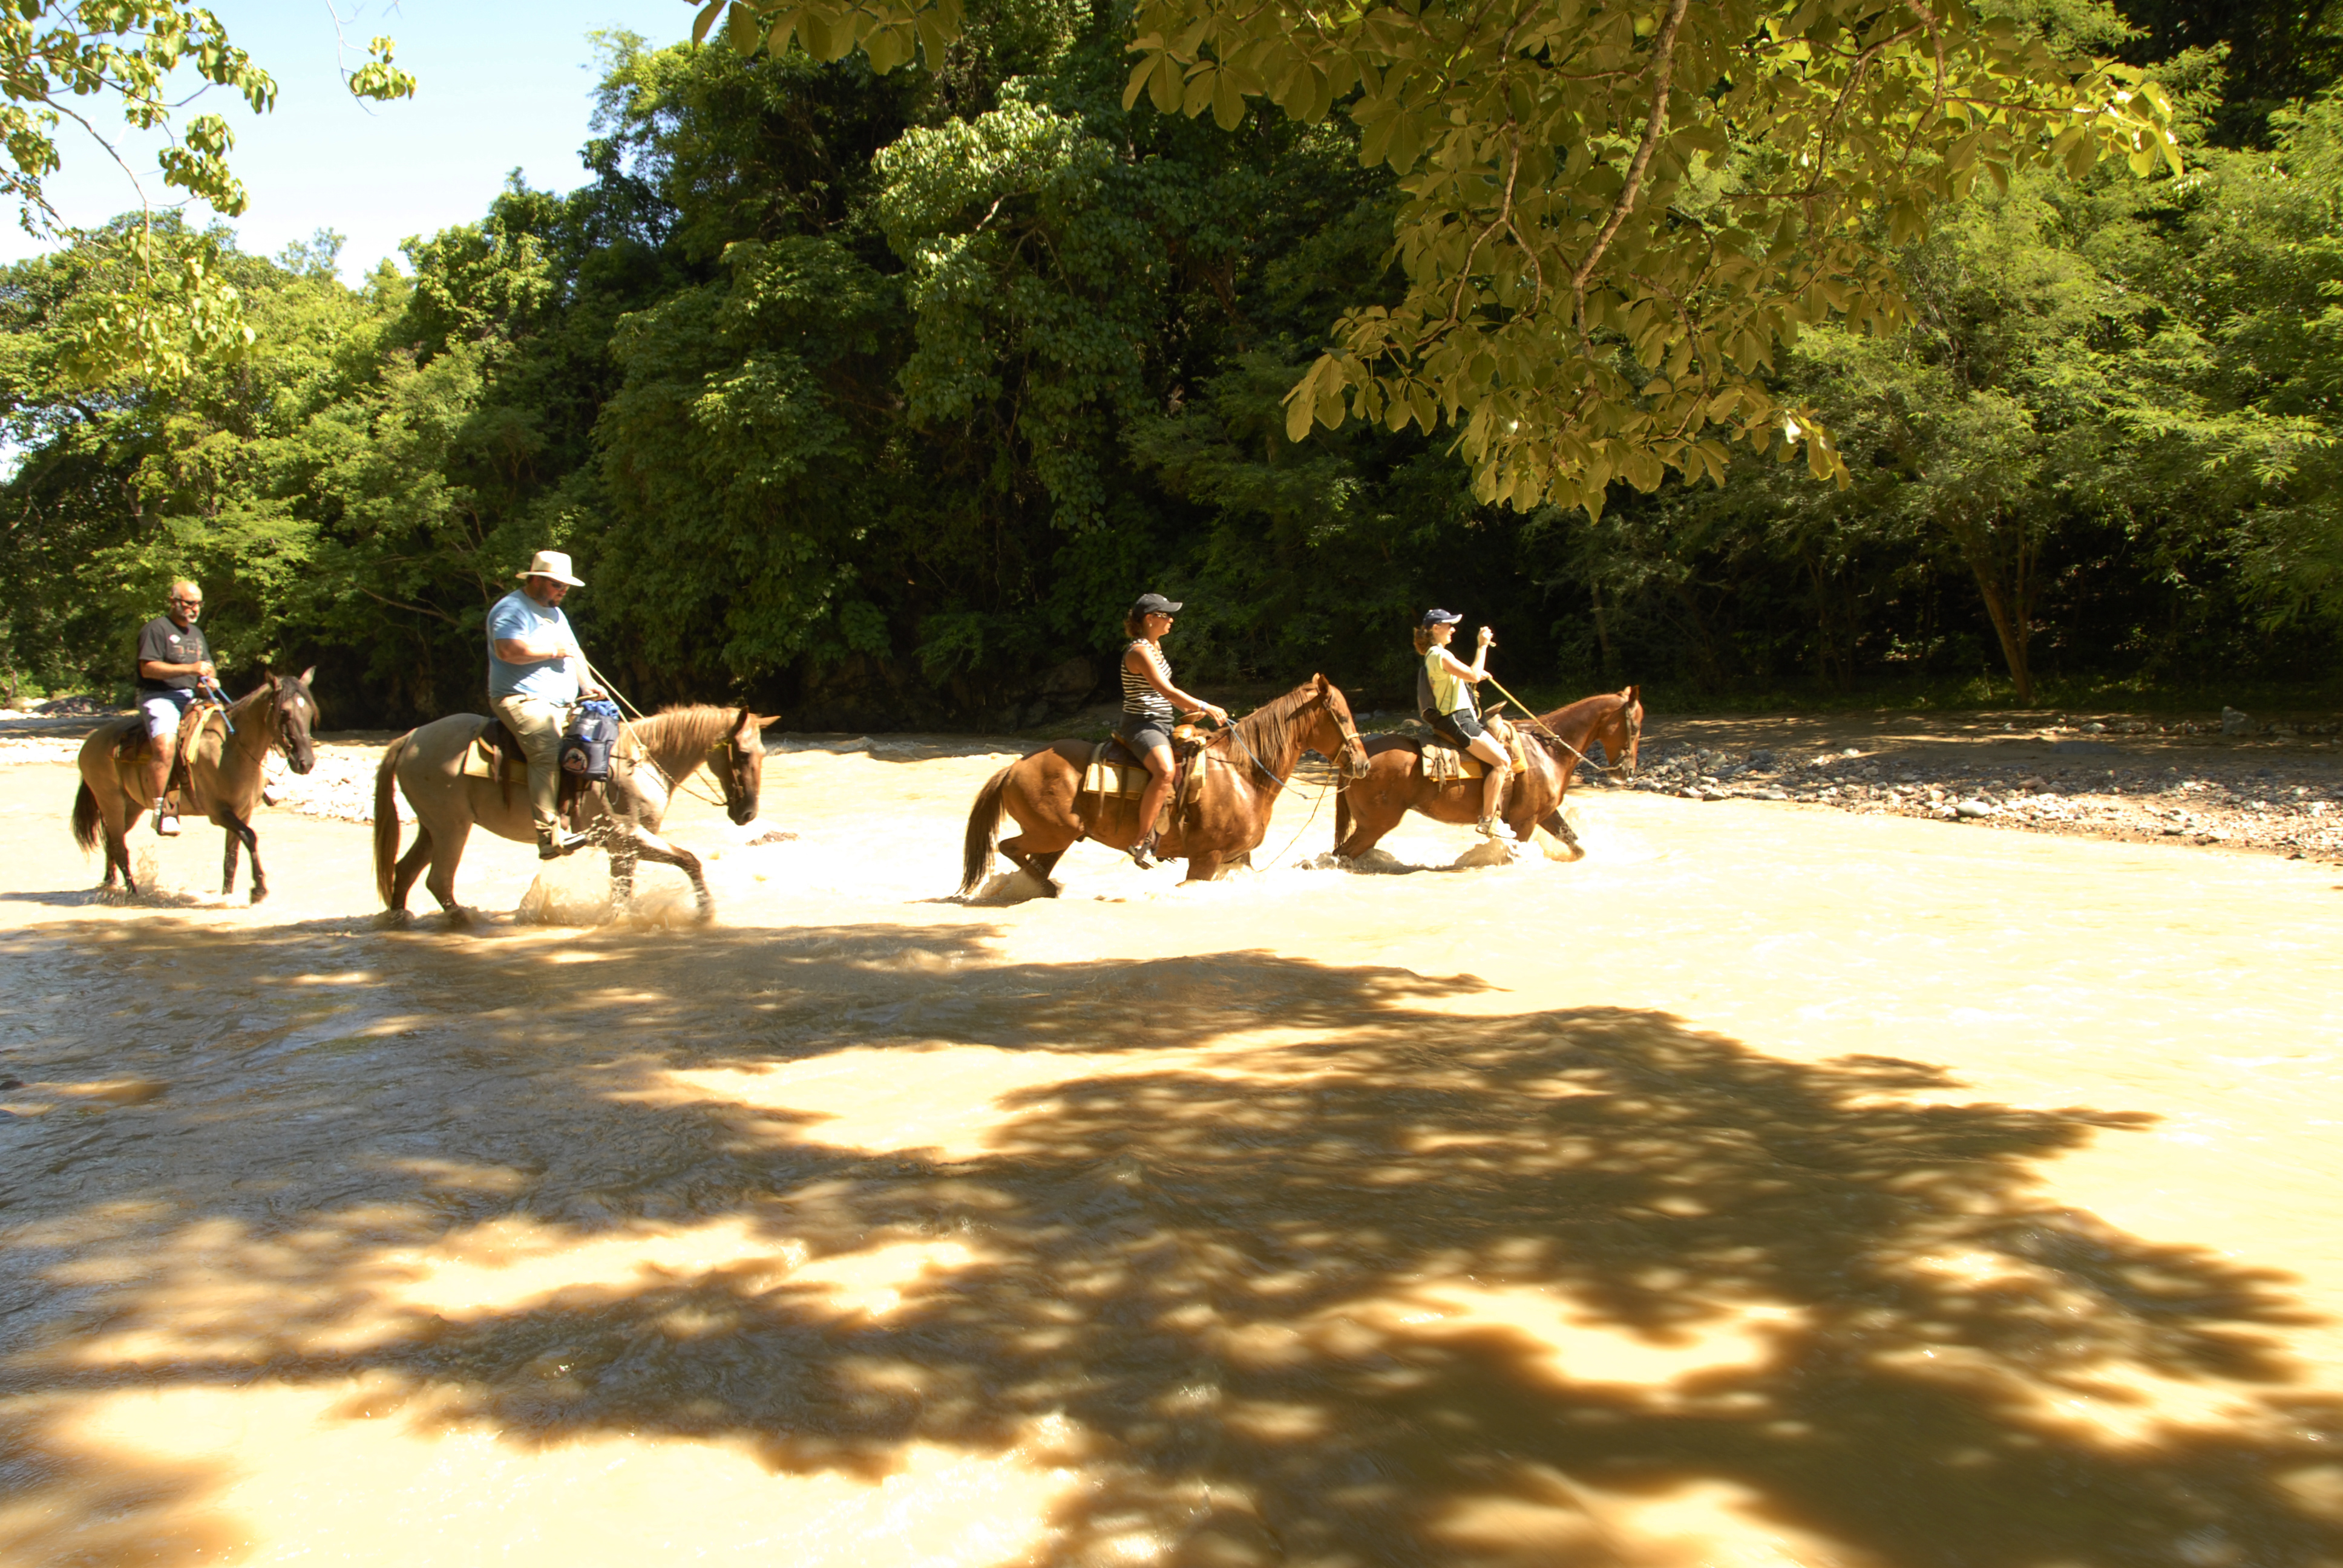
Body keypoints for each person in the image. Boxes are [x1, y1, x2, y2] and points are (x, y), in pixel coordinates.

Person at [487, 550, 605, 860]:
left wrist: (589, 685)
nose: (562, 591)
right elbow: (508, 651)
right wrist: (553, 651)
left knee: (602, 736)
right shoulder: (512, 610)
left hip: (562, 701)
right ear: (535, 579)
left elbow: (574, 652)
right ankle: (548, 834)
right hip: (520, 698)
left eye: (565, 587)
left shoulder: (555, 612)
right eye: (556, 584)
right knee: (547, 750)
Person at [1118, 592, 1228, 867]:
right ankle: (1141, 841)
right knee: (1165, 771)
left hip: (1162, 722)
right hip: (1142, 724)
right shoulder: (1140, 652)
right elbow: (1167, 691)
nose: (1171, 619)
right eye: (1166, 615)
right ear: (1150, 619)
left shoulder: (1155, 648)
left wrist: (1188, 712)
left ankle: (1174, 829)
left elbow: (1162, 696)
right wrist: (1205, 705)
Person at [1415, 608, 1512, 837]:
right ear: (1436, 629)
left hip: (1460, 717)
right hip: (1458, 719)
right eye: (1449, 625)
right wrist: (1482, 646)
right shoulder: (1441, 655)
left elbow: (1468, 675)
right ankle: (1488, 820)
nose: (1453, 629)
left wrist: (1478, 672)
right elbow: (1473, 675)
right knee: (1502, 761)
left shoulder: (1437, 655)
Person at [134, 578, 216, 837]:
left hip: (193, 696)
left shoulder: (197, 634)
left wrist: (211, 680)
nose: (195, 609)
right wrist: (190, 669)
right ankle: (163, 809)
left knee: (231, 727)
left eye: (199, 604)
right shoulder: (156, 630)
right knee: (166, 746)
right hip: (161, 696)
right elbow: (148, 668)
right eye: (190, 603)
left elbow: (208, 665)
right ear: (173, 602)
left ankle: (260, 783)